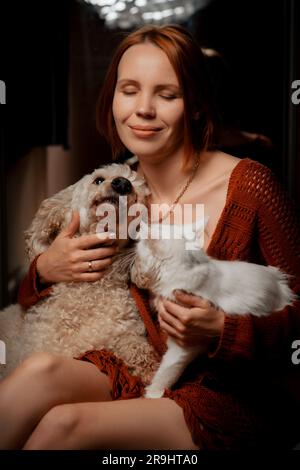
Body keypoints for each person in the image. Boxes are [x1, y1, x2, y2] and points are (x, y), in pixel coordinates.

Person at [0, 24, 299, 451]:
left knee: (63, 426)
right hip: (144, 372)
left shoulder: (250, 186)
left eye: (167, 94)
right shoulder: (120, 188)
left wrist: (222, 329)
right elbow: (53, 296)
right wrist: (45, 269)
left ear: (194, 106)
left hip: (230, 393)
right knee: (37, 374)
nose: (143, 109)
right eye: (129, 90)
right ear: (113, 99)